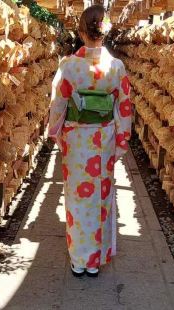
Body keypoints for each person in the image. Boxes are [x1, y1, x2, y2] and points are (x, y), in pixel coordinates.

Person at [47, 4, 132, 278]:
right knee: (100, 195)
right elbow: (124, 107)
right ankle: (95, 260)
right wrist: (121, 140)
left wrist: (54, 131)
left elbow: (58, 103)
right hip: (104, 137)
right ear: (105, 33)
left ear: (81, 32)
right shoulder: (116, 67)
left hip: (76, 139)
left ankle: (79, 259)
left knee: (75, 196)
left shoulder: (69, 66)